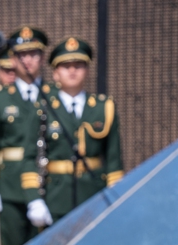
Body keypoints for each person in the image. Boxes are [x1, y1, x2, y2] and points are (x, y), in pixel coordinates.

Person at [0, 26, 52, 245]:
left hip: (47, 183)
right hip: (9, 185)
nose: (27, 60)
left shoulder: (54, 97)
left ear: (42, 58)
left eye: (33, 54)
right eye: (21, 55)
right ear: (12, 59)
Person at [42, 37, 122, 221]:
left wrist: (115, 191)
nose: (72, 71)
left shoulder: (103, 107)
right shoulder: (43, 107)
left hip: (93, 191)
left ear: (86, 70)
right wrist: (34, 200)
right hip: (56, 194)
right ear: (55, 73)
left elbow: (113, 157)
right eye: (65, 66)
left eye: (78, 65)